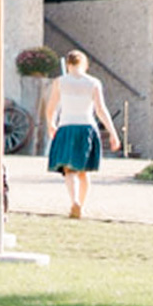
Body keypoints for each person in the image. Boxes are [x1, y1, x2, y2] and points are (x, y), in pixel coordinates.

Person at [45, 49, 120, 219]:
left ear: (69, 64)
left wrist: (51, 124)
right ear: (84, 65)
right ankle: (82, 205)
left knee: (69, 170)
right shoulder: (93, 82)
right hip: (87, 127)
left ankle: (74, 202)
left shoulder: (60, 82)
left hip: (66, 126)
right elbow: (101, 110)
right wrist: (112, 133)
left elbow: (51, 107)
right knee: (84, 172)